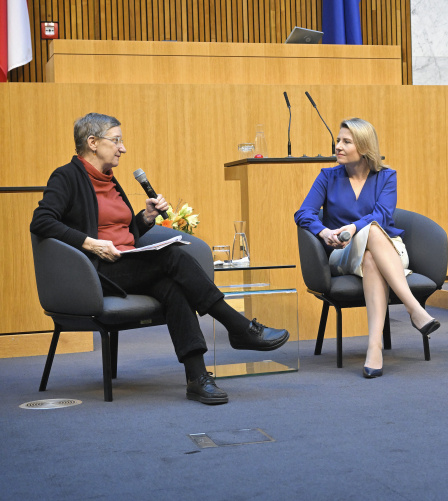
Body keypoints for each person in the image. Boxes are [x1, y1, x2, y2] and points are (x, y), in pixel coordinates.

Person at [30, 113, 290, 404]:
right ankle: (239, 328)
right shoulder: (66, 177)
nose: (123, 148)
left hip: (128, 264)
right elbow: (41, 221)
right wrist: (91, 244)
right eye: (116, 140)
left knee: (174, 287)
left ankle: (197, 378)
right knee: (173, 256)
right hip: (96, 271)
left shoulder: (110, 180)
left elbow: (124, 232)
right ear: (92, 142)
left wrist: (146, 218)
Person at [294, 118, 441, 379]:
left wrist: (353, 227)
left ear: (363, 147)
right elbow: (303, 213)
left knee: (372, 250)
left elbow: (383, 216)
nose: (338, 146)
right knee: (371, 230)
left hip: (388, 249)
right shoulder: (328, 176)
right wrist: (325, 232)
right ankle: (414, 309)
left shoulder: (386, 176)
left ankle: (374, 347)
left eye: (346, 142)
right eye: (338, 140)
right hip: (344, 253)